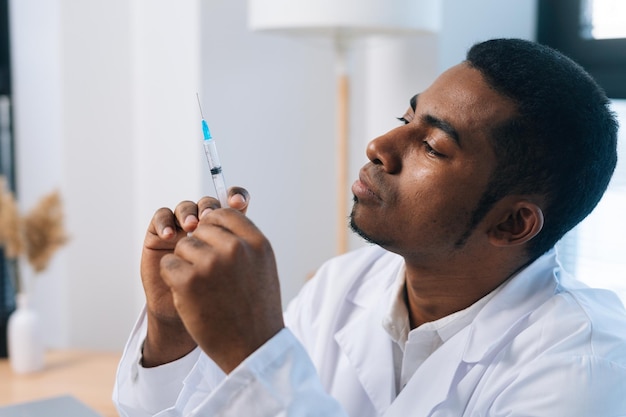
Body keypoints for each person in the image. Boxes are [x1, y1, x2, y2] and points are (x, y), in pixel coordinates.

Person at [113, 38, 626, 416]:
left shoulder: (582, 369)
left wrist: (258, 352)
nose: (379, 146)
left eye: (432, 146)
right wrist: (173, 330)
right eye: (407, 120)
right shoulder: (343, 286)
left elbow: (263, 392)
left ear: (513, 224)